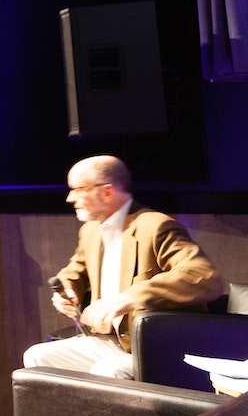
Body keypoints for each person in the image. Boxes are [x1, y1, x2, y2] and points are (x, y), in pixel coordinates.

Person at [22, 155, 224, 379]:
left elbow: (204, 277)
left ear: (107, 191)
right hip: (112, 340)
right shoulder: (91, 231)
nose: (70, 198)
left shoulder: (155, 226)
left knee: (108, 370)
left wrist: (128, 298)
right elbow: (75, 270)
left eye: (79, 189)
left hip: (155, 345)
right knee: (38, 357)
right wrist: (67, 289)